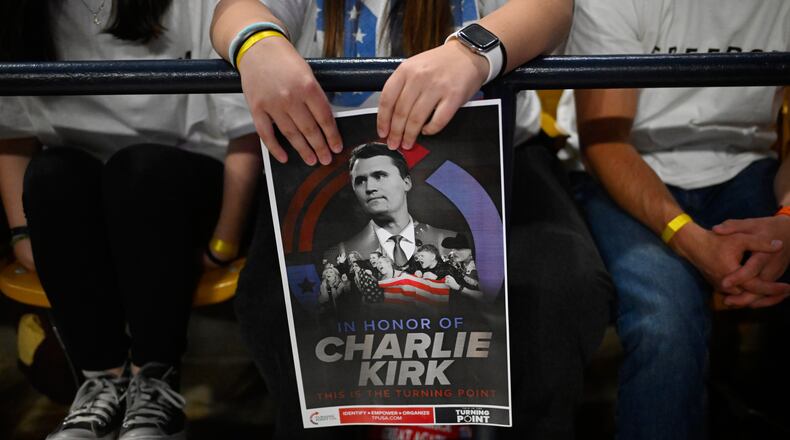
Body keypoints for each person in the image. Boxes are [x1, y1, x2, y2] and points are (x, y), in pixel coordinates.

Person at [211, 0, 613, 438]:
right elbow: (233, 10)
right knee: (274, 300)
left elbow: (552, 10)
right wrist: (258, 44)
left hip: (494, 157)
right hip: (332, 165)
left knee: (562, 286)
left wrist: (470, 53)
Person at [0, 1, 259, 439]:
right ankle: (100, 382)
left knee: (138, 172)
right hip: (82, 197)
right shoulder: (26, 13)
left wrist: (224, 243)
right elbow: (12, 134)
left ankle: (156, 384)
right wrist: (22, 233)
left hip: (182, 186)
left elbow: (244, 130)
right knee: (52, 173)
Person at [565, 0, 790, 437]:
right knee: (665, 320)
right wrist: (689, 239)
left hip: (746, 167)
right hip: (628, 170)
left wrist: (788, 220)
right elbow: (605, 142)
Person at [326, 142, 457, 268]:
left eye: (379, 176)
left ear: (406, 183)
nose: (370, 188)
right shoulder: (338, 255)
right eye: (360, 181)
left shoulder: (450, 241)